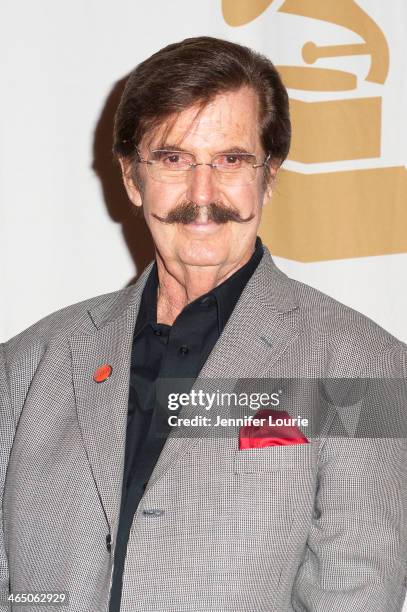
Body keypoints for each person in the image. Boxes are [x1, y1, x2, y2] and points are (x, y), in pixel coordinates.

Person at [1, 36, 406, 612]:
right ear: (132, 178)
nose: (202, 195)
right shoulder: (27, 363)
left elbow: (359, 595)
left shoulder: (361, 364)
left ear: (269, 175)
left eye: (231, 160)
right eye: (173, 158)